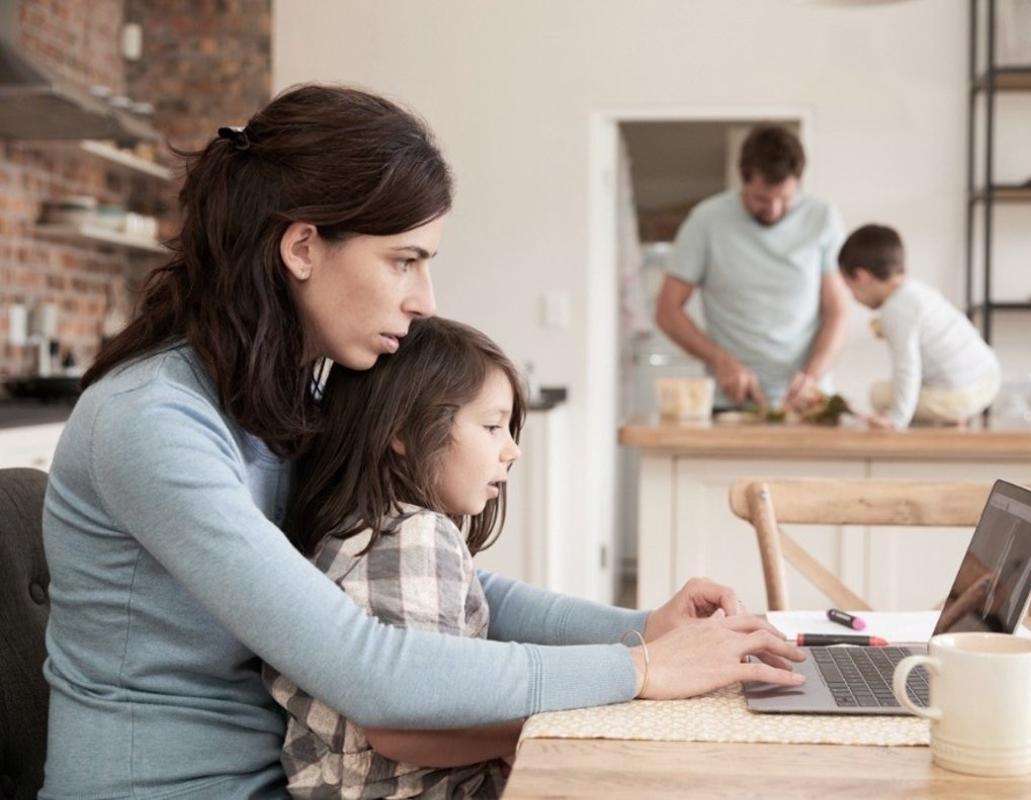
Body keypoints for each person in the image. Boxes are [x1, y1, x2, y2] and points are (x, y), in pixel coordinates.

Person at [39, 84, 805, 799]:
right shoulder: (154, 424)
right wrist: (640, 668)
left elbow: (445, 581)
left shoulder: (288, 396)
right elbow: (368, 668)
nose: (424, 300)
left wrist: (642, 628)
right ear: (302, 248)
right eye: (404, 260)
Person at [265, 317, 527, 798]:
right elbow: (407, 726)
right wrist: (536, 729)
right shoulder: (415, 535)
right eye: (492, 426)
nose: (511, 449)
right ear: (404, 431)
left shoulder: (350, 528)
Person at [655, 124, 849, 411]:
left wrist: (812, 374)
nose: (773, 210)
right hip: (730, 401)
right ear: (743, 180)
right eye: (760, 199)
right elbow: (667, 311)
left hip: (807, 402)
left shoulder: (822, 218)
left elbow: (837, 309)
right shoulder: (706, 221)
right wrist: (720, 360)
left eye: (784, 199)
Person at [837, 224, 1001, 430]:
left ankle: (947, 416)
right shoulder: (918, 292)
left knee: (879, 394)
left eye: (849, 287)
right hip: (988, 380)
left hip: (959, 396)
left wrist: (896, 419)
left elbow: (907, 368)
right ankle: (951, 416)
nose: (853, 297)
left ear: (861, 276)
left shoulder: (895, 310)